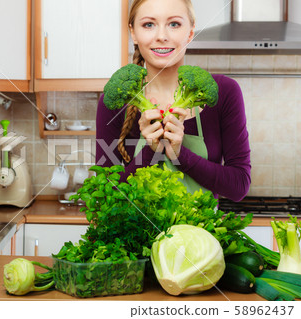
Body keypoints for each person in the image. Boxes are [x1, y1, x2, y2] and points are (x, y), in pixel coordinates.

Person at [95, 0, 251, 202]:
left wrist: (179, 154)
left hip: (200, 232)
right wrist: (151, 153)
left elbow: (239, 186)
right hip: (138, 234)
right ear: (133, 32)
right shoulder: (116, 102)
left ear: (191, 31)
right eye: (149, 24)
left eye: (174, 24)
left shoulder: (225, 92)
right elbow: (104, 195)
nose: (162, 36)